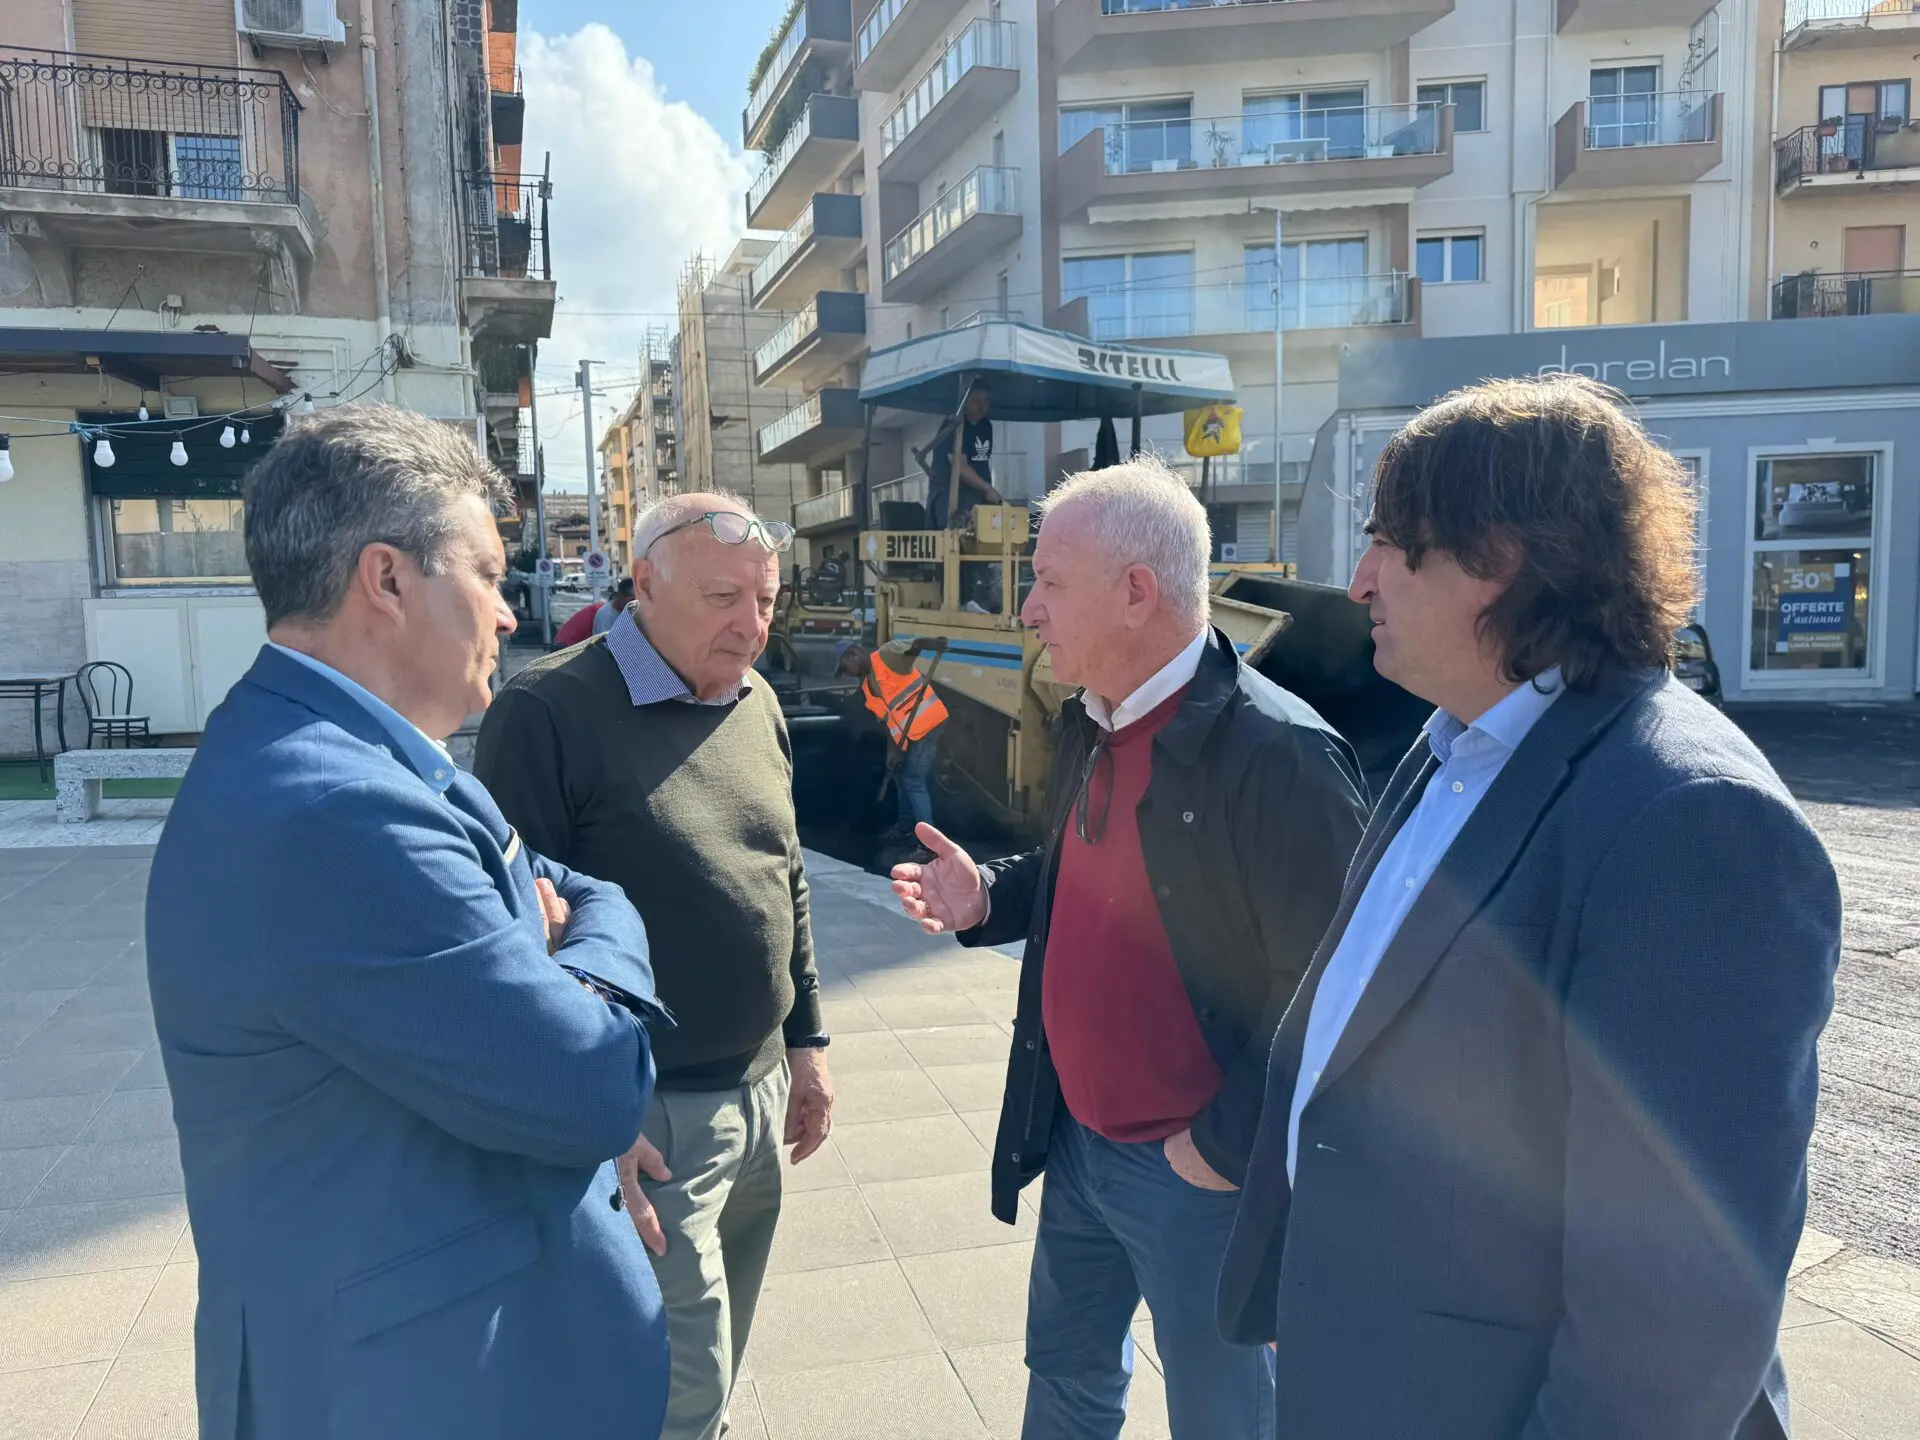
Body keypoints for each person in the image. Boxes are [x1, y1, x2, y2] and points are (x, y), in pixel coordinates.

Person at [1219, 375, 1841, 1439]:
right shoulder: (1454, 744)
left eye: (1386, 542)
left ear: (1498, 558)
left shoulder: (1693, 823)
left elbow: (1679, 1311)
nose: (1357, 578)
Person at [145, 406, 671, 1440]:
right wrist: (589, 950)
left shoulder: (338, 754)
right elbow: (593, 1084)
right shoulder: (335, 808)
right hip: (429, 1387)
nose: (512, 612)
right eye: (486, 571)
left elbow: (567, 884)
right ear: (386, 580)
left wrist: (571, 926)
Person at [889, 457, 1369, 1439]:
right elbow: (1078, 876)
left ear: (1137, 592)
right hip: (1078, 1144)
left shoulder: (1280, 757)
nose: (1029, 610)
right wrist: (988, 894)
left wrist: (1221, 1146)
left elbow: (1335, 989)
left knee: (1226, 1416)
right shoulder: (1094, 726)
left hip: (1197, 1174)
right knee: (1065, 1377)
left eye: (1050, 582)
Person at [474, 491, 834, 1440]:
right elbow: (515, 941)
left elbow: (784, 874)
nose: (751, 626)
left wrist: (809, 1044)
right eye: (724, 598)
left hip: (757, 1097)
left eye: (765, 600)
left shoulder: (755, 701)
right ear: (644, 586)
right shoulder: (547, 711)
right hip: (649, 1118)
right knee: (677, 1389)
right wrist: (592, 1117)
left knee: (715, 1360)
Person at [838, 636, 949, 841]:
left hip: (928, 723)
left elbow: (912, 648)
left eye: (845, 668)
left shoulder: (886, 657)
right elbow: (891, 722)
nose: (846, 674)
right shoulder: (867, 690)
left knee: (913, 780)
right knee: (899, 775)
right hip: (909, 732)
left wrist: (930, 644)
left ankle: (930, 844)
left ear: (853, 655)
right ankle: (905, 826)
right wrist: (892, 751)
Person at [922, 378, 1000, 531]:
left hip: (977, 494)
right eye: (976, 401)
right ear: (965, 400)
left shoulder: (986, 426)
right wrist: (987, 488)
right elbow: (958, 463)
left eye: (985, 401)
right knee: (955, 528)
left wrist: (989, 492)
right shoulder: (953, 424)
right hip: (948, 493)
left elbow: (982, 461)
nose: (981, 406)